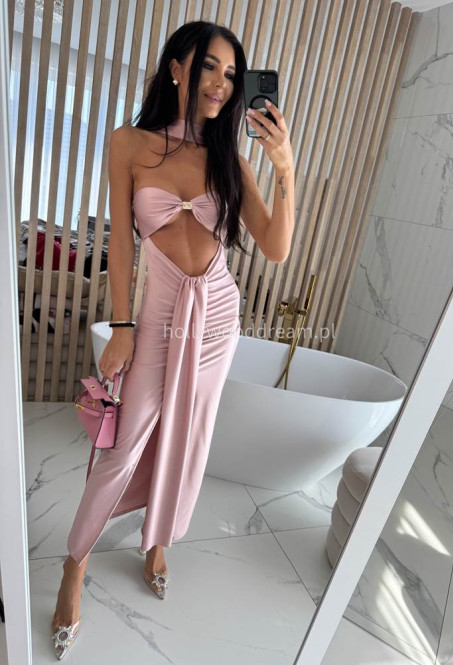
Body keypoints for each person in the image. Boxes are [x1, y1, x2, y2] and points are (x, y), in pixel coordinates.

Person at [50, 19, 294, 660]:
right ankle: (74, 565)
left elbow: (275, 247)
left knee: (188, 436)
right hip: (157, 314)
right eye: (210, 66)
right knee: (123, 447)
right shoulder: (129, 143)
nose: (222, 83)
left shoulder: (230, 159)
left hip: (216, 318)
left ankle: (157, 541)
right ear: (178, 68)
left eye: (232, 74)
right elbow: (121, 246)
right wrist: (122, 326)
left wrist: (285, 170)